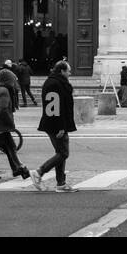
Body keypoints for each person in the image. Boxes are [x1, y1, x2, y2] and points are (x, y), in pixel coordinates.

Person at [30, 59, 77, 192]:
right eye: (68, 71)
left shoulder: (53, 82)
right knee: (63, 153)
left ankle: (61, 184)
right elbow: (56, 108)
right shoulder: (55, 84)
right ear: (62, 71)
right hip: (56, 124)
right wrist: (61, 127)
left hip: (55, 123)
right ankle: (39, 172)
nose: (70, 74)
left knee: (60, 153)